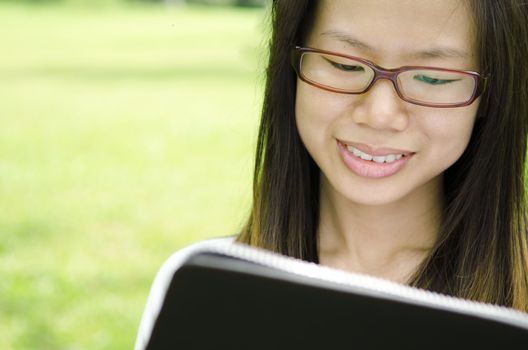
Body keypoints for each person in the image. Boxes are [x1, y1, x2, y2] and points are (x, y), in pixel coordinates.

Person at [136, 4, 528, 346]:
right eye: (343, 64)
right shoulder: (203, 286)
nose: (379, 114)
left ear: (492, 95)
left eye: (433, 77)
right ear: (289, 67)